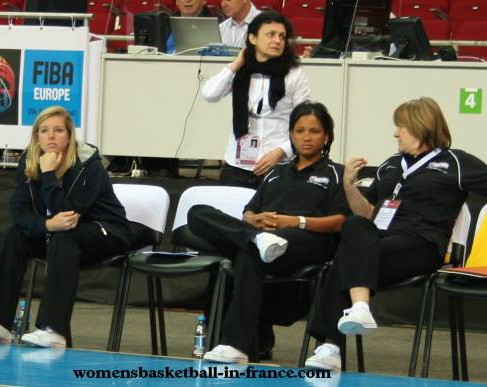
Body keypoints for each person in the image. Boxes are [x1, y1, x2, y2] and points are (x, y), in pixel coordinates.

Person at [304, 97, 487, 371]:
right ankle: (359, 309)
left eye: (400, 126)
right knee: (353, 228)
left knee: (343, 263)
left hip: (421, 245)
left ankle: (330, 346)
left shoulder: (456, 162)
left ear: (420, 126)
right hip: (379, 243)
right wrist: (349, 185)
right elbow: (365, 214)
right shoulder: (390, 165)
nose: (395, 133)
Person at [187, 101, 351, 363]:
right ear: (291, 135)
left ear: (327, 136)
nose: (306, 137)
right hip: (265, 240)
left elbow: (341, 222)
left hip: (307, 241)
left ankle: (234, 344)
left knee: (249, 251)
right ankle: (256, 240)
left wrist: (294, 221)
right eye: (299, 131)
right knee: (197, 213)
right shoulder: (276, 172)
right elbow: (248, 213)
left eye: (314, 131)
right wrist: (255, 221)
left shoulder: (336, 173)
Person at [0, 106, 132, 348]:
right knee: (14, 235)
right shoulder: (28, 161)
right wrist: (45, 224)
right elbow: (18, 211)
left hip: (105, 232)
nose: (51, 136)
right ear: (37, 137)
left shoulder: (88, 165)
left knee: (65, 237)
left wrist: (49, 174)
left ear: (69, 136)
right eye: (44, 131)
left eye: (58, 130)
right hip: (58, 234)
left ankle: (54, 329)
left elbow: (69, 215)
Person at [202, 11, 310, 189]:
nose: (277, 40)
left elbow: (304, 122)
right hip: (237, 163)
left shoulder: (294, 73)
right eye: (271, 34)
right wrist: (235, 65)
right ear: (253, 39)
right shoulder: (241, 71)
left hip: (278, 163)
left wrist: (282, 152)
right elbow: (209, 94)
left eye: (282, 36)